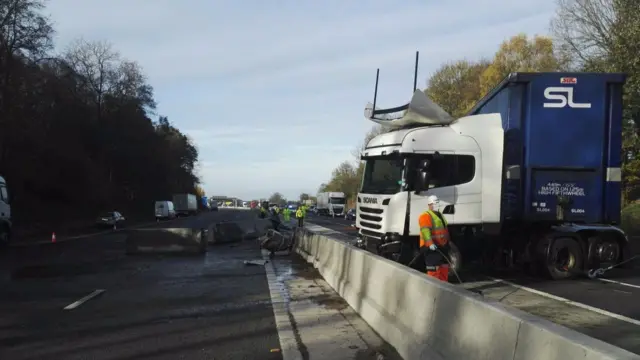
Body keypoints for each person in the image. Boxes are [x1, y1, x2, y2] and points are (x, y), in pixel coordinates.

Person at [418, 195, 451, 282]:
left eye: (437, 203)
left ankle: (444, 288)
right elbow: (425, 231)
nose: (437, 205)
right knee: (434, 270)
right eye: (434, 203)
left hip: (442, 247)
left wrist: (447, 243)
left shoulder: (440, 215)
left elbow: (445, 230)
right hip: (431, 248)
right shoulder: (425, 216)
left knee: (444, 267)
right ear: (429, 205)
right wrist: (430, 244)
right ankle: (433, 289)